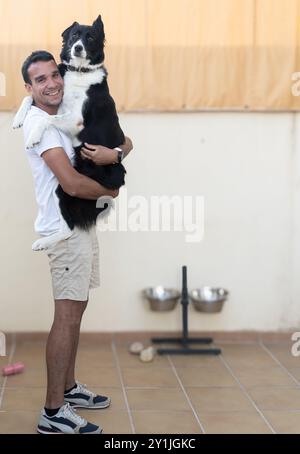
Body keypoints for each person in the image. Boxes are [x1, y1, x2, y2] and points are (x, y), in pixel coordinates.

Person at [20, 50, 133, 434]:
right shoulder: (43, 126)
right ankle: (53, 412)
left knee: (78, 308)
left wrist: (113, 152)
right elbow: (70, 183)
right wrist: (109, 193)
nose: (52, 83)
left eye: (55, 75)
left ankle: (68, 388)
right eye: (41, 79)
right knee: (66, 316)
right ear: (29, 88)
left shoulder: (63, 115)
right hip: (64, 231)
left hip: (82, 226)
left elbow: (124, 140)